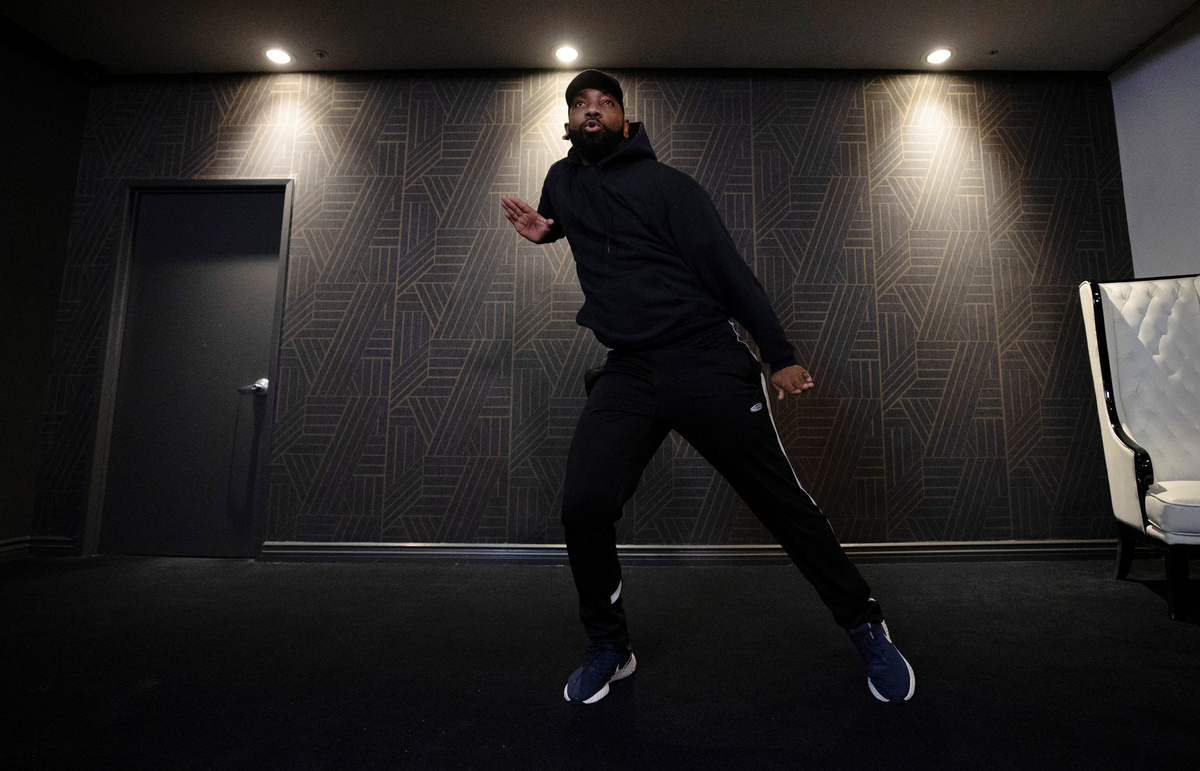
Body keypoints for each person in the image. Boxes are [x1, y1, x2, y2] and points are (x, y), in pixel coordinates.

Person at [501, 69, 915, 706]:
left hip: (704, 358)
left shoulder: (670, 187)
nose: (592, 110)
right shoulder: (561, 179)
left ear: (625, 121)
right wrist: (546, 231)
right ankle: (610, 646)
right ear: (567, 123)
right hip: (630, 368)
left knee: (780, 502)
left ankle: (865, 624)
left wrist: (778, 355)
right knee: (584, 504)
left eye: (605, 103)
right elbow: (572, 219)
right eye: (580, 103)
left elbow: (728, 270)